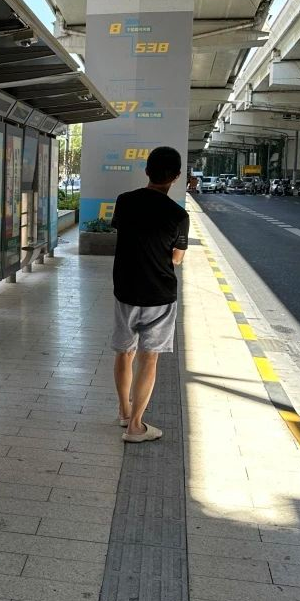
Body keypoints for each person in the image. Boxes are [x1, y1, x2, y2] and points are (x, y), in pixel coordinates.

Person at [109, 146, 190, 443]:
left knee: (124, 352)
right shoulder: (179, 215)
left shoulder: (125, 202)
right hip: (160, 295)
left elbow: (123, 234)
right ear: (177, 177)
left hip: (126, 289)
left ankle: (124, 411)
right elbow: (177, 259)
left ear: (146, 170)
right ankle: (136, 427)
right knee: (149, 358)